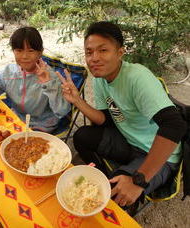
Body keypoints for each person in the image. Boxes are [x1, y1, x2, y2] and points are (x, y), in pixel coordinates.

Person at [57, 21, 187, 208]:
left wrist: (138, 181)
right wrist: (77, 101)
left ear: (120, 52)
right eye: (89, 52)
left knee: (111, 197)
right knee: (83, 137)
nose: (94, 58)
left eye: (103, 50)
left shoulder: (137, 78)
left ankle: (126, 187)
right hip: (129, 141)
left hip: (159, 153)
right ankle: (112, 177)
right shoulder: (101, 79)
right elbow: (106, 119)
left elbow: (174, 126)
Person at [0, 26, 71, 133]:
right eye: (19, 50)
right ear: (13, 51)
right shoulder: (9, 72)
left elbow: (62, 111)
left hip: (42, 124)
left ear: (40, 52)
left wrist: (48, 84)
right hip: (16, 119)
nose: (25, 56)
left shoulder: (50, 76)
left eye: (31, 51)